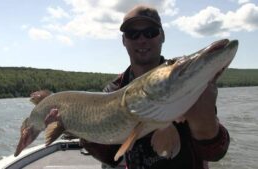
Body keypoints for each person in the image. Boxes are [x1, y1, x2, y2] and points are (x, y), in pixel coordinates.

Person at [81, 4, 230, 169]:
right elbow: (111, 157)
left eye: (150, 32)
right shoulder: (114, 90)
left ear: (162, 36)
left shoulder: (185, 81)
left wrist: (205, 123)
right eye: (133, 34)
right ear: (124, 40)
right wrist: (80, 131)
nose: (142, 39)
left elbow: (215, 153)